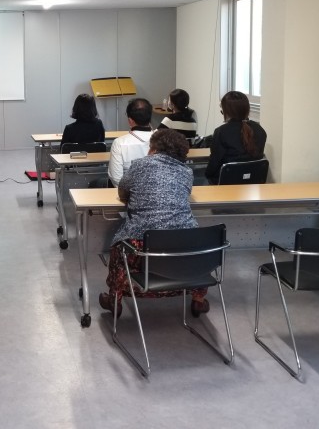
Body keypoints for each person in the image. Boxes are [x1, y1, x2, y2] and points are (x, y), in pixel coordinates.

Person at [100, 129, 210, 318]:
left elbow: (122, 192)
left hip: (143, 245)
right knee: (195, 246)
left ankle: (115, 300)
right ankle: (198, 300)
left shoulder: (139, 165)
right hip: (186, 244)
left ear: (153, 149)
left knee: (119, 248)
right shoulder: (186, 172)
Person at [204, 91, 267, 184]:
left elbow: (213, 165)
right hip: (254, 183)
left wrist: (205, 174)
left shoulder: (221, 132)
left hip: (226, 184)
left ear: (227, 112)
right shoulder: (259, 129)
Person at [107, 97, 154, 186]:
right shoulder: (162, 140)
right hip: (156, 190)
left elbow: (116, 179)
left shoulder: (119, 143)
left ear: (130, 121)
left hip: (127, 192)